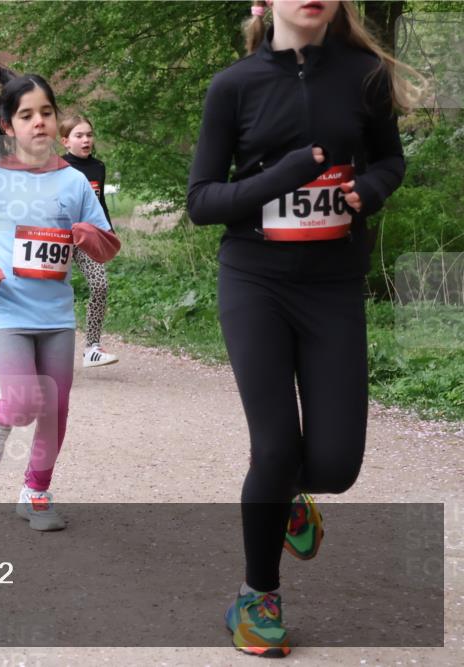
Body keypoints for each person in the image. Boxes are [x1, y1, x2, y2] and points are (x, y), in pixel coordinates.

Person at [187, 0, 418, 657]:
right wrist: (284, 175)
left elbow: (389, 162)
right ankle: (257, 599)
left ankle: (289, 496)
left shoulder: (364, 75)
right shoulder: (233, 85)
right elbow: (202, 200)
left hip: (332, 286)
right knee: (276, 446)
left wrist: (368, 190)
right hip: (254, 280)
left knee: (338, 466)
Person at [0, 65, 120, 531]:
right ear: (9, 127)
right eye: (27, 114)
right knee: (25, 401)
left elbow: (107, 243)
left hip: (56, 313)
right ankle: (0, 412)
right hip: (7, 309)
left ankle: (36, 490)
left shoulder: (74, 182)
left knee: (57, 405)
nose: (39, 121)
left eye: (47, 111)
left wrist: (86, 235)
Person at [60, 115, 119, 368]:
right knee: (53, 293)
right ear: (65, 141)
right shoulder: (57, 166)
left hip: (87, 237)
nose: (86, 140)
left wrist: (108, 232)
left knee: (101, 284)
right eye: (79, 135)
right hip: (59, 238)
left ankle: (92, 347)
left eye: (89, 135)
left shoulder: (99, 167)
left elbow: (99, 203)